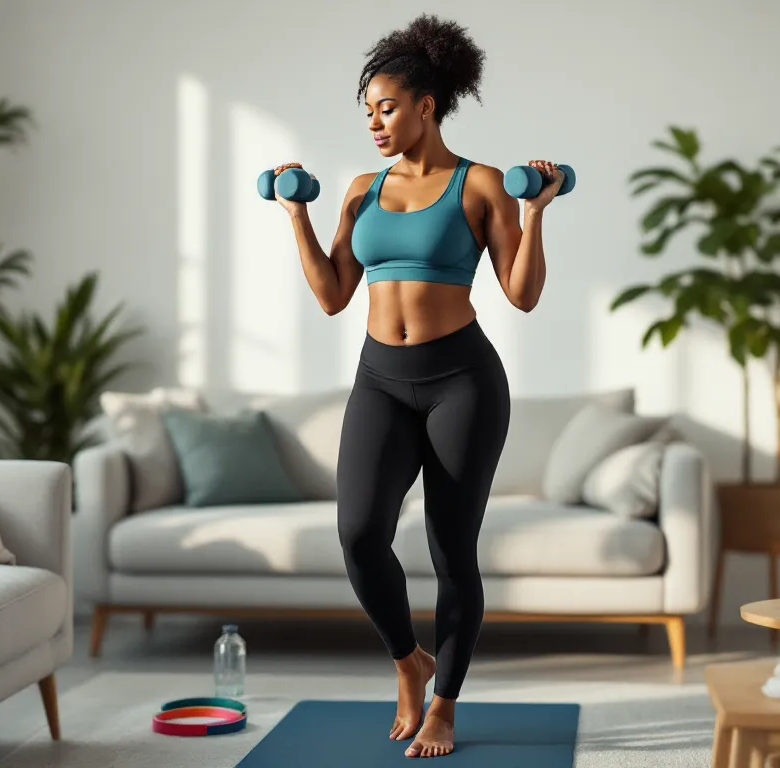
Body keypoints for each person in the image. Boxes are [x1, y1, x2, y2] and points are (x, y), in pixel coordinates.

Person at [270, 13, 563, 760]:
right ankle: (410, 662)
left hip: (461, 380)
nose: (374, 122)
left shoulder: (482, 184)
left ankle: (446, 704)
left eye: (388, 107)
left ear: (427, 104)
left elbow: (522, 294)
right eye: (366, 110)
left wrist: (534, 214)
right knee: (359, 534)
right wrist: (296, 214)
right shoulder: (362, 191)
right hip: (380, 379)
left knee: (450, 549)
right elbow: (335, 294)